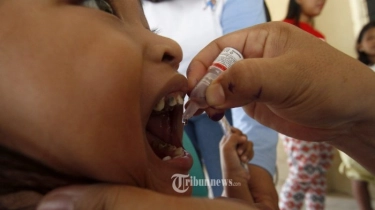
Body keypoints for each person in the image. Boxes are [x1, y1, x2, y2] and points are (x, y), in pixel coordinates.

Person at [0, 0, 276, 209]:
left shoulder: (169, 163)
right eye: (101, 6)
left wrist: (235, 187)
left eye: (150, 28)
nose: (172, 46)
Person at [143, 0, 278, 197]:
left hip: (216, 108)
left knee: (223, 178)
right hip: (169, 110)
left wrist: (257, 183)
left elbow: (251, 92)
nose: (172, 48)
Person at [278, 0, 334, 209]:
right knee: (304, 169)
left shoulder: (317, 34)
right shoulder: (285, 29)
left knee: (319, 171)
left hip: (324, 112)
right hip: (297, 112)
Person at [338, 21, 375, 210]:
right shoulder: (355, 70)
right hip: (357, 129)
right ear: (360, 45)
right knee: (358, 175)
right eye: (370, 38)